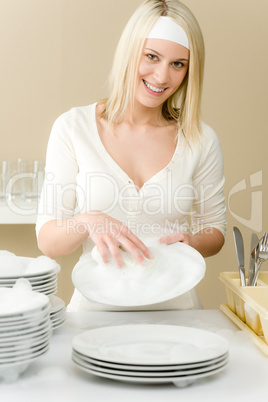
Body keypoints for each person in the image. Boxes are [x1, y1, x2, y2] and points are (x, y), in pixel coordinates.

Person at [36, 0, 226, 311]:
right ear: (129, 52)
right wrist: (88, 220)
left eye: (178, 64)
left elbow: (214, 230)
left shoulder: (201, 139)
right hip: (92, 316)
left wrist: (192, 243)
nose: (162, 76)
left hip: (177, 315)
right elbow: (48, 241)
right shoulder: (73, 128)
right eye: (152, 57)